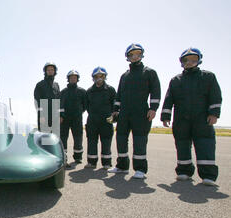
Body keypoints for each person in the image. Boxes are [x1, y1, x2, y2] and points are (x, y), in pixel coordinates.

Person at [161, 48, 222, 186]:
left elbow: (215, 95)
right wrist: (166, 115)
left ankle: (208, 175)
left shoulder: (208, 77)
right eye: (186, 60)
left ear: (199, 60)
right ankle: (184, 171)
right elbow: (169, 99)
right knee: (182, 144)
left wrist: (214, 114)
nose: (189, 62)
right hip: (181, 119)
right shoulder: (176, 80)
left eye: (193, 59)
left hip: (202, 118)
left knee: (205, 144)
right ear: (182, 62)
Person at [108, 44, 161, 179]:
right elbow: (119, 95)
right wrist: (115, 111)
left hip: (141, 112)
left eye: (137, 53)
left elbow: (155, 91)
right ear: (128, 57)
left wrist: (153, 109)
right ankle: (122, 166)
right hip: (124, 113)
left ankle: (140, 169)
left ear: (141, 55)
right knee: (120, 139)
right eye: (131, 54)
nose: (134, 56)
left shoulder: (149, 72)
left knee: (139, 141)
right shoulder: (124, 76)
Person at [85, 67, 116, 169]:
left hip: (106, 121)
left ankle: (106, 163)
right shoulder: (89, 91)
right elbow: (86, 105)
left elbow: (114, 105)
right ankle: (91, 162)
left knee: (106, 142)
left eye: (101, 76)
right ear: (93, 78)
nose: (99, 78)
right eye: (96, 76)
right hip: (92, 121)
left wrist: (112, 117)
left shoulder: (110, 90)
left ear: (104, 77)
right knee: (92, 142)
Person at [60, 70, 87, 166]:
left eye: (75, 77)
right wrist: (61, 116)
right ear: (68, 79)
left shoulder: (82, 91)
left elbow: (85, 105)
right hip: (65, 119)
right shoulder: (63, 92)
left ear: (77, 79)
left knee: (78, 138)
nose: (73, 79)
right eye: (71, 77)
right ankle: (64, 157)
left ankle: (78, 157)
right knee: (63, 138)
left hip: (77, 119)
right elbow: (60, 105)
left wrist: (79, 112)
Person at [34, 62, 61, 132]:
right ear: (45, 72)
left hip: (55, 117)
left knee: (55, 139)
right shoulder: (40, 85)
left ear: (55, 72)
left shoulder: (56, 85)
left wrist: (60, 115)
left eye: (52, 70)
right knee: (45, 139)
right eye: (48, 70)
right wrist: (41, 115)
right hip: (44, 117)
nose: (50, 71)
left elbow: (59, 102)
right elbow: (37, 102)